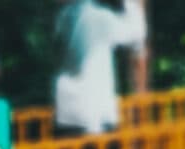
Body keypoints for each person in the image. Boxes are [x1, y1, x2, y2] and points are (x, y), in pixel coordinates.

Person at [53, 0, 146, 135]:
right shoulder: (97, 18)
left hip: (66, 114)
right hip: (93, 118)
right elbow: (135, 33)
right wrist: (131, 4)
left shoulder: (63, 18)